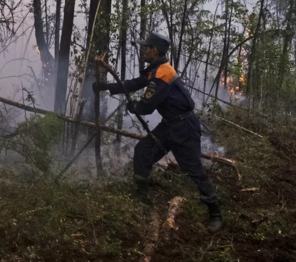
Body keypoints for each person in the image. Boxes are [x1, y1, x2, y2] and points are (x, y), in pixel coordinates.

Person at [92, 32, 223, 233]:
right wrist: (106, 87)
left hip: (184, 127)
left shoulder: (162, 73)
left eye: (146, 47)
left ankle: (215, 214)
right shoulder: (156, 69)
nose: (143, 50)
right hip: (169, 124)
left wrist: (134, 106)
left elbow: (147, 106)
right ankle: (142, 195)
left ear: (154, 50)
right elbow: (135, 83)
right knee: (144, 150)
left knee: (193, 169)